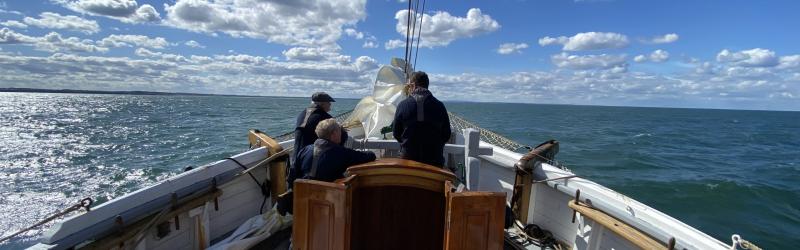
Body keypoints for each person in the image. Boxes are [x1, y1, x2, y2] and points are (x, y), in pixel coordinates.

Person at [392, 71, 451, 167]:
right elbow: (446, 135)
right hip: (434, 163)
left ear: (413, 85)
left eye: (409, 86)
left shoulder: (402, 105)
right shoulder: (440, 106)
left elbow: (396, 134)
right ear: (427, 85)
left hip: (408, 161)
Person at [291, 118, 376, 183]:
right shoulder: (340, 153)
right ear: (334, 134)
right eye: (340, 131)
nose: (341, 134)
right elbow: (370, 156)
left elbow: (293, 173)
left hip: (304, 196)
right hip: (327, 198)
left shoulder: (304, 150)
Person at [293, 92, 335, 164]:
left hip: (296, 159)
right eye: (328, 102)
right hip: (311, 160)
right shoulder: (325, 117)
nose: (330, 104)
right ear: (322, 104)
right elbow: (336, 138)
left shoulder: (302, 113)